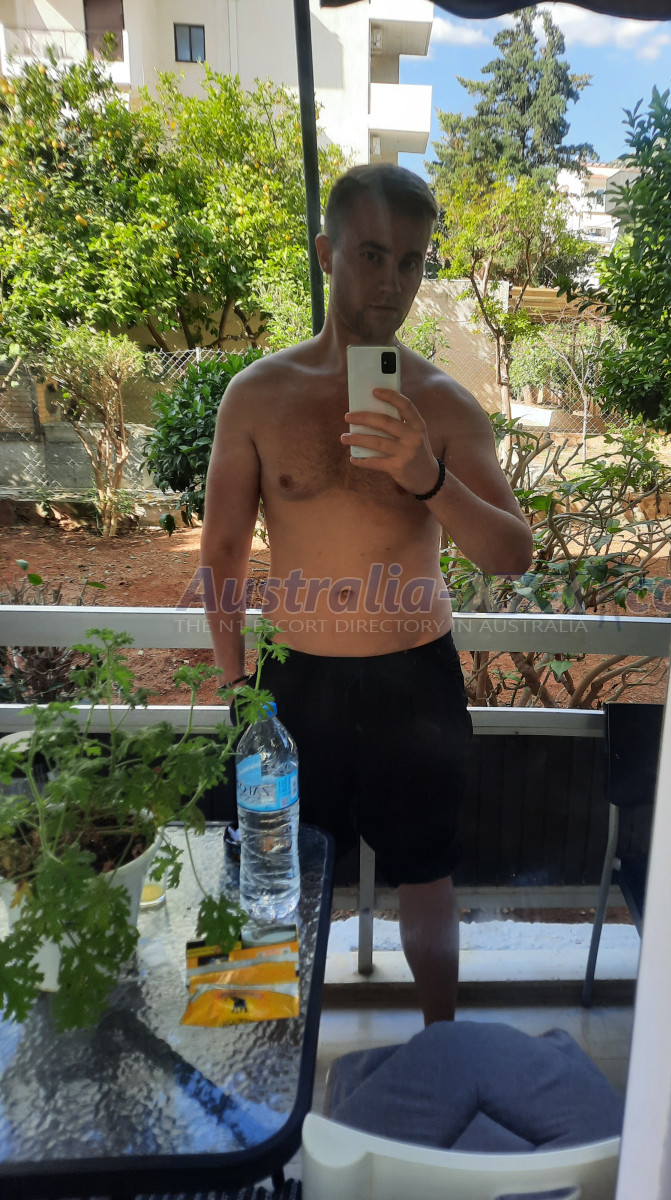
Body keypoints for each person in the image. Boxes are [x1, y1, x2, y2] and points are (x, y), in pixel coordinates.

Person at [200, 164, 533, 1024]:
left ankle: (442, 1044)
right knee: (267, 871)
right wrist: (237, 688)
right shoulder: (258, 395)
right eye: (373, 255)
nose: (393, 282)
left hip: (412, 679)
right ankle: (258, 1055)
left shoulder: (445, 405)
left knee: (428, 872)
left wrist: (428, 478)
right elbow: (223, 553)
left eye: (412, 262)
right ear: (327, 254)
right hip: (292, 685)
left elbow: (512, 553)